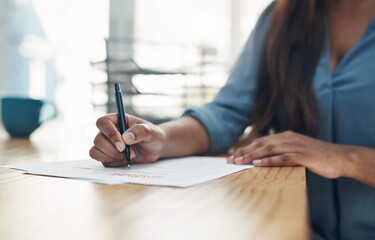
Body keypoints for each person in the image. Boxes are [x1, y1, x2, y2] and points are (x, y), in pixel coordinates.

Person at [90, 0, 375, 239]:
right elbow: (228, 110)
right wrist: (158, 139)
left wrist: (345, 157)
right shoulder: (283, 13)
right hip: (295, 228)